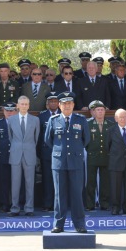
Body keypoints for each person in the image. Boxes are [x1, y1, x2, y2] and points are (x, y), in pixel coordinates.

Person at [44, 92, 90, 233]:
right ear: (59, 105)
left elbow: (86, 139)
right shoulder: (53, 120)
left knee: (77, 194)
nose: (67, 106)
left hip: (75, 161)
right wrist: (61, 151)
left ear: (73, 105)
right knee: (59, 195)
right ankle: (58, 224)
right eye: (64, 103)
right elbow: (48, 140)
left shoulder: (81, 120)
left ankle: (80, 224)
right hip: (59, 162)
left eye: (69, 103)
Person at [7, 96, 40, 216]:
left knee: (30, 182)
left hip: (29, 153)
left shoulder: (35, 120)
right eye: (22, 104)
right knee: (15, 183)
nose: (24, 106)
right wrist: (18, 147)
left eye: (26, 104)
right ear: (17, 105)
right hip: (15, 154)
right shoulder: (11, 120)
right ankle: (15, 208)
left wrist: (28, 148)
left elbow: (36, 138)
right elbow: (10, 137)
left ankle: (29, 208)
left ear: (29, 106)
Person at [107, 109, 126, 215]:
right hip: (115, 163)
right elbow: (108, 146)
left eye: (124, 117)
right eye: (120, 117)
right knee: (116, 187)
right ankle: (115, 207)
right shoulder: (111, 130)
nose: (123, 119)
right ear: (116, 119)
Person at [85, 100, 112, 211]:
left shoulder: (110, 124)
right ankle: (90, 204)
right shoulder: (87, 124)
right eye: (98, 110)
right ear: (93, 112)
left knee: (105, 182)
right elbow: (85, 140)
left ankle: (104, 204)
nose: (100, 112)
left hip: (106, 156)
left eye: (102, 110)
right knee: (90, 181)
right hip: (92, 156)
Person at [37, 92, 60, 212]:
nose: (53, 103)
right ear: (47, 103)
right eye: (51, 101)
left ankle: (59, 204)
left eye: (55, 101)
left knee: (60, 180)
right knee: (47, 179)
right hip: (46, 153)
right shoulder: (42, 116)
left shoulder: (63, 114)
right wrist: (39, 153)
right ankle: (47, 203)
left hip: (61, 153)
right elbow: (39, 137)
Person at [0, 103, 16, 212]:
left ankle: (17, 204)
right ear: (4, 111)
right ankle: (5, 204)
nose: (9, 112)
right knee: (4, 182)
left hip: (17, 157)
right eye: (7, 110)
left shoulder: (19, 122)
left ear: (15, 111)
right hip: (3, 157)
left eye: (12, 110)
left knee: (17, 182)